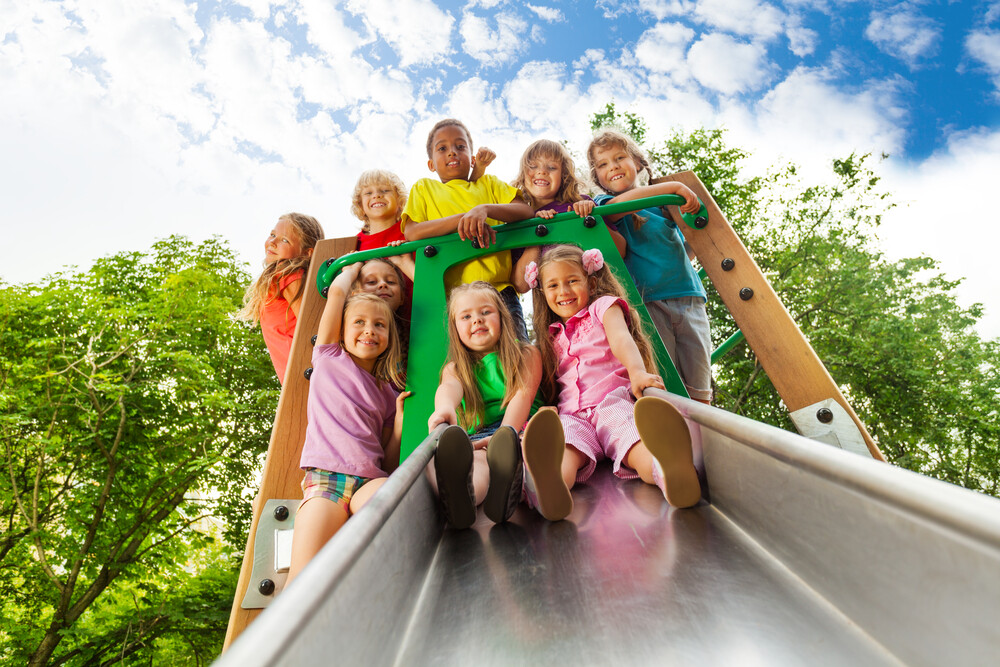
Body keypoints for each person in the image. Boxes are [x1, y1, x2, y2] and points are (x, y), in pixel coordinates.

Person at [522, 244, 701, 521]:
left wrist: (637, 372)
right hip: (573, 415)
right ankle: (550, 485)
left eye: (572, 281)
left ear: (591, 283)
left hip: (611, 402)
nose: (564, 292)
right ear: (543, 294)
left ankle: (666, 470)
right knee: (565, 445)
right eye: (553, 286)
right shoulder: (551, 336)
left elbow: (621, 340)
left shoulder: (603, 308)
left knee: (632, 439)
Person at [287, 261, 409, 583]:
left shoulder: (386, 392)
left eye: (380, 325)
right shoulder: (328, 358)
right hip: (327, 482)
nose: (369, 330)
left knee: (400, 491)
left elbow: (389, 457)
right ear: (341, 330)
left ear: (388, 335)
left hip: (369, 482)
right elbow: (338, 294)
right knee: (303, 578)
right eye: (359, 322)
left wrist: (397, 423)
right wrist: (350, 269)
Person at [586, 128, 713, 404]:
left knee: (700, 382)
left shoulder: (665, 208)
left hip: (688, 297)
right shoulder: (605, 204)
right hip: (647, 304)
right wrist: (674, 188)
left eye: (620, 157)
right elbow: (621, 207)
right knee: (666, 383)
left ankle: (704, 437)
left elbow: (684, 247)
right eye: (603, 164)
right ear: (597, 178)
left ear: (638, 163)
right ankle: (673, 438)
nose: (614, 166)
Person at [401, 118, 535, 339]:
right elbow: (413, 231)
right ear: (431, 164)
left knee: (519, 359)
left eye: (460, 146)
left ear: (472, 159)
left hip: (500, 292)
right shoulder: (424, 188)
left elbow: (525, 211)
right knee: (464, 370)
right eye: (442, 148)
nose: (452, 152)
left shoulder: (488, 184)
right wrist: (463, 218)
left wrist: (485, 210)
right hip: (454, 299)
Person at [427, 281, 543, 529]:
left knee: (521, 453)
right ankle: (465, 497)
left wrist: (507, 434)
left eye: (485, 312)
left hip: (522, 429)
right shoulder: (456, 368)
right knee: (477, 463)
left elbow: (522, 396)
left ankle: (514, 484)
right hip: (481, 437)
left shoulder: (526, 354)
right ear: (455, 328)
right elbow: (448, 388)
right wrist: (444, 408)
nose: (477, 320)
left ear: (502, 317)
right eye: (466, 316)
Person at [238, 213, 324, 384]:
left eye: (285, 240)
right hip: (296, 375)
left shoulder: (288, 274)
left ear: (307, 253)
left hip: (308, 372)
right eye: (272, 235)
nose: (273, 242)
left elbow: (311, 326)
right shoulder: (277, 277)